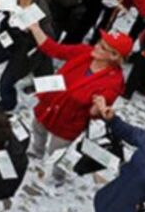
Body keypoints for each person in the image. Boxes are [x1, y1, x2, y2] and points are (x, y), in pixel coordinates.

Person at [25, 22, 129, 161]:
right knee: (38, 128)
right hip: (49, 106)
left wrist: (98, 109)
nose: (96, 46)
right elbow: (55, 50)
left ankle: (58, 176)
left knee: (56, 153)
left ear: (114, 56)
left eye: (103, 47)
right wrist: (35, 28)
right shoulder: (85, 52)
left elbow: (93, 113)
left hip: (67, 122)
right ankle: (37, 151)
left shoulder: (113, 82)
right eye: (99, 42)